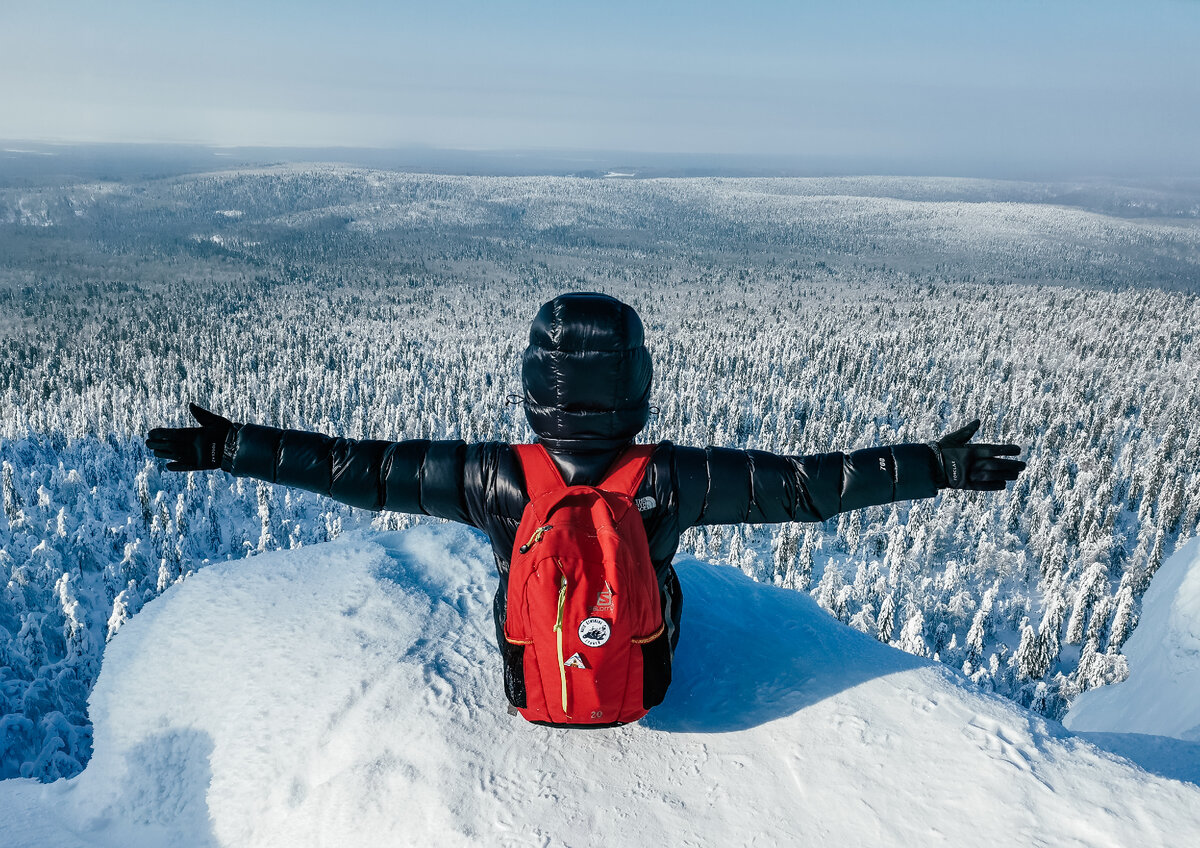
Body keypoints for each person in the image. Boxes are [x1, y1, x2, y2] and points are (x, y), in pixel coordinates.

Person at [146, 292, 1025, 710]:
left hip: (530, 687)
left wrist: (232, 447)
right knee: (661, 578)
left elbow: (357, 469)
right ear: (636, 386)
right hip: (645, 680)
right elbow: (806, 489)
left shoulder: (493, 476)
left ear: (536, 389)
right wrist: (932, 467)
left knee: (517, 575)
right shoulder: (670, 479)